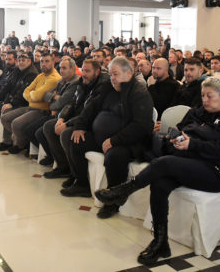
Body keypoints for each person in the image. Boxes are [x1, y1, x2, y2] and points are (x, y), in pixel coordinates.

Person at [96, 74, 220, 265]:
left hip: (218, 172)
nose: (205, 100)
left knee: (164, 163)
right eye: (203, 95)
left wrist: (192, 144)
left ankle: (124, 190)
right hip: (189, 164)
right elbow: (178, 130)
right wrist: (175, 138)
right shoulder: (198, 112)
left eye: (210, 96)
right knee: (159, 183)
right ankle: (161, 242)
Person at [61, 57, 154, 221]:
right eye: (111, 74)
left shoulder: (139, 93)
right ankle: (82, 183)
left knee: (115, 156)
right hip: (102, 138)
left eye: (116, 74)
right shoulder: (109, 88)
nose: (112, 78)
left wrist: (114, 140)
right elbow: (91, 108)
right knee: (73, 138)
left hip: (128, 142)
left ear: (128, 73)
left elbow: (141, 126)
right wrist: (80, 126)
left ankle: (113, 201)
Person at [1, 53, 60, 154]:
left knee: (16, 123)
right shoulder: (40, 76)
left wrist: (32, 95)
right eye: (41, 61)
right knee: (5, 118)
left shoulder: (54, 78)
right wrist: (33, 96)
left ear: (53, 62)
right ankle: (23, 141)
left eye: (47, 61)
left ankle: (20, 145)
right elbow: (26, 91)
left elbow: (37, 96)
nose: (43, 64)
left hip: (41, 110)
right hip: (30, 106)